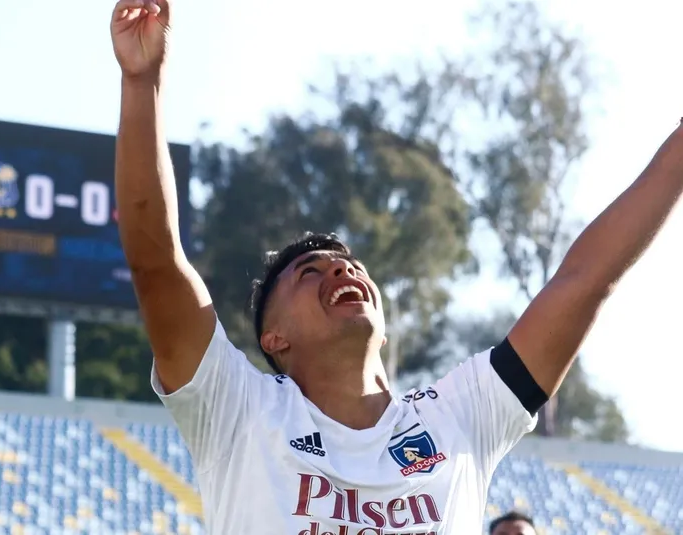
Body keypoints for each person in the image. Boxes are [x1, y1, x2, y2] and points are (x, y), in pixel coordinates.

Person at [110, 0, 683, 532]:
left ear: (383, 329)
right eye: (310, 272)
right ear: (273, 338)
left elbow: (584, 280)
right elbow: (156, 260)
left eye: (349, 266)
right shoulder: (237, 410)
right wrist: (143, 82)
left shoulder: (463, 416)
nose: (342, 272)